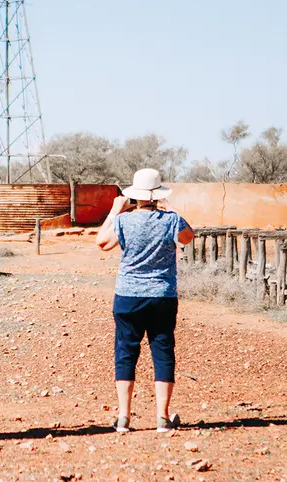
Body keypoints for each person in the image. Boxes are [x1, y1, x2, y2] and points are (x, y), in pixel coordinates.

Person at [96, 168, 194, 433]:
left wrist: (114, 211)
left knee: (126, 352)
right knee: (162, 351)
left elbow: (102, 243)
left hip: (128, 295)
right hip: (162, 295)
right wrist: (172, 210)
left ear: (134, 196)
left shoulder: (123, 221)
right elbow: (188, 237)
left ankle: (124, 417)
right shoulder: (171, 220)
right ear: (157, 195)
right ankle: (162, 417)